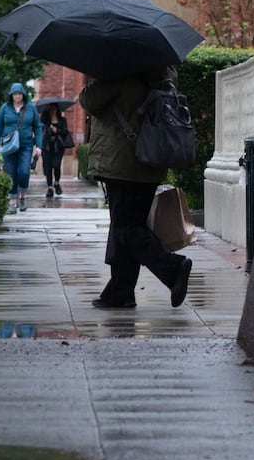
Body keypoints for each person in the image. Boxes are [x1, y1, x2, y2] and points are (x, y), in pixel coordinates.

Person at [78, 67, 192, 308]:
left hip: (122, 161)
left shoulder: (118, 74)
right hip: (151, 158)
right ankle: (121, 292)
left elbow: (89, 101)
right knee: (128, 226)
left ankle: (172, 267)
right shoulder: (162, 71)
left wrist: (100, 78)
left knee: (125, 228)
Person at [0, 82, 42, 214]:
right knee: (11, 173)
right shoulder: (5, 108)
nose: (17, 96)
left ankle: (23, 196)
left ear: (23, 95)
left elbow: (38, 127)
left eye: (19, 93)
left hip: (26, 145)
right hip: (9, 146)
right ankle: (12, 202)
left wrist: (39, 146)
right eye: (15, 94)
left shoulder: (30, 108)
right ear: (11, 95)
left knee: (24, 172)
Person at [39, 103, 70, 198]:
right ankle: (50, 188)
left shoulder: (62, 120)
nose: (52, 111)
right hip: (47, 146)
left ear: (57, 110)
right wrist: (49, 128)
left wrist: (57, 130)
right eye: (50, 109)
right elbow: (41, 132)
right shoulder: (44, 121)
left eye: (54, 109)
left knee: (56, 165)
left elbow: (65, 132)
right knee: (48, 167)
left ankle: (57, 183)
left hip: (58, 146)